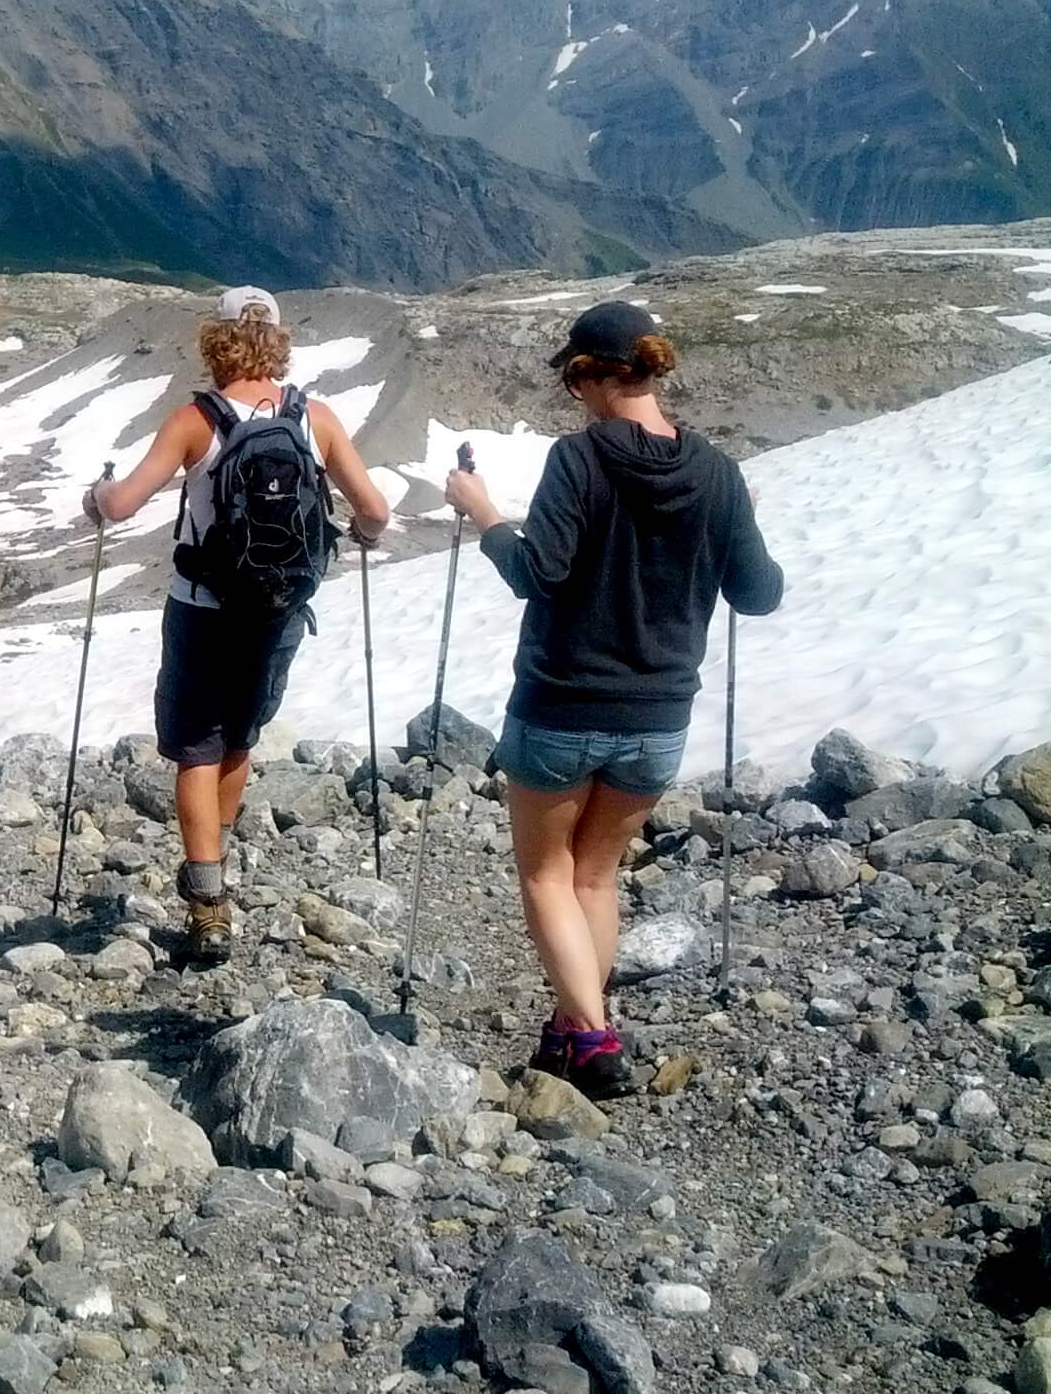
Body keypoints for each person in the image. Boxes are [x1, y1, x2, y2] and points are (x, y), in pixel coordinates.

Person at [443, 300, 783, 1096]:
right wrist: (731, 521)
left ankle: (592, 1040)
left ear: (595, 377)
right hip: (658, 716)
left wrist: (485, 514)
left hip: (563, 702)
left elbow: (539, 574)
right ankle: (572, 1032)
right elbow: (759, 594)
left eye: (573, 378)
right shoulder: (717, 472)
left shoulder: (581, 459)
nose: (573, 393)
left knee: (546, 876)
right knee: (595, 878)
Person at [84, 286, 393, 964]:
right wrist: (363, 534)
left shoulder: (197, 420)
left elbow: (125, 502)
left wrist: (97, 498)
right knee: (239, 738)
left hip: (203, 605)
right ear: (278, 342)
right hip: (278, 608)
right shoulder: (316, 418)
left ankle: (208, 906)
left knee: (196, 746)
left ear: (215, 341)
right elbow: (374, 509)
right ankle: (215, 858)